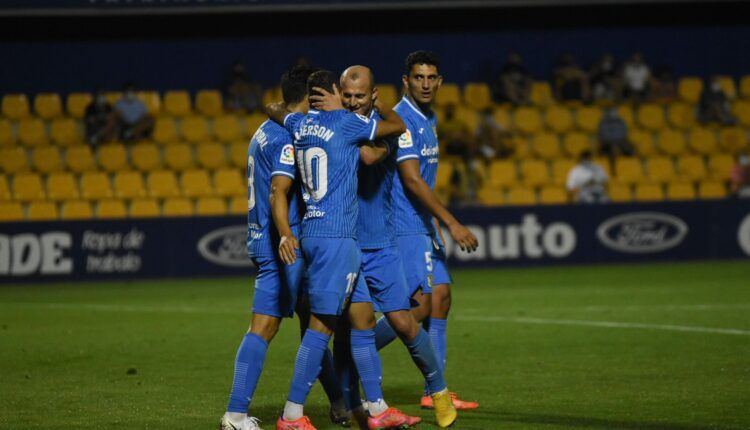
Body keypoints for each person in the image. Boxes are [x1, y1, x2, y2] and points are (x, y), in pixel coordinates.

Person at [266, 69, 413, 430]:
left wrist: (290, 108)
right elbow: (397, 127)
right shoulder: (348, 123)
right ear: (333, 91)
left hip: (315, 233)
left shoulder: (298, 125)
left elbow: (274, 108)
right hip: (337, 239)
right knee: (321, 327)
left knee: (362, 317)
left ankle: (377, 408)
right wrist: (374, 105)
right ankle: (291, 414)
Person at [313, 65, 457, 428]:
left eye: (360, 97)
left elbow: (367, 157)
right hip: (345, 244)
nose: (351, 102)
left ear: (374, 97)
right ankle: (364, 405)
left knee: (405, 322)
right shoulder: (334, 125)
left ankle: (438, 390)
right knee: (352, 328)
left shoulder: (384, 131)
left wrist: (348, 116)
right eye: (346, 96)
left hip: (381, 247)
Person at [219, 65, 348, 430]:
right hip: (281, 247)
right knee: (265, 327)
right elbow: (279, 191)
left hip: (268, 241)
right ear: (310, 98)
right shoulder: (285, 138)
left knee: (314, 323)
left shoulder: (263, 131)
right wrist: (286, 235)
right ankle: (235, 414)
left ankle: (338, 403)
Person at [371, 50, 479, 412]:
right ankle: (356, 350)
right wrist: (451, 221)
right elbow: (413, 181)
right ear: (406, 81)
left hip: (422, 225)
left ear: (440, 81)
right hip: (404, 226)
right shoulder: (402, 119)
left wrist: (434, 221)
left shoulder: (428, 118)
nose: (426, 83)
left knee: (442, 300)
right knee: (417, 309)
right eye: (419, 77)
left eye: (432, 77)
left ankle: (435, 392)